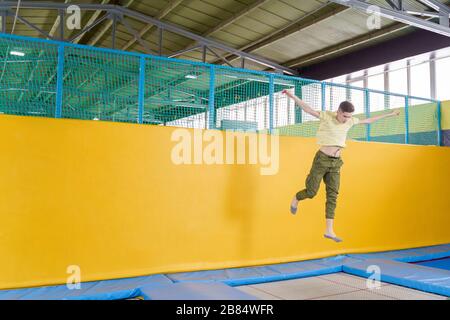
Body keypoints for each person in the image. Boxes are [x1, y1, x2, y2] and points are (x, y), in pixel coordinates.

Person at [282, 89, 400, 242]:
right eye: (344, 116)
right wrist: (292, 96)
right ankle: (297, 198)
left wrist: (390, 114)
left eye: (349, 117)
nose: (346, 119)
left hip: (336, 162)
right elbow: (307, 109)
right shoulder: (327, 116)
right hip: (322, 160)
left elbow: (368, 121)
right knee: (311, 192)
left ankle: (329, 230)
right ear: (338, 111)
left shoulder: (350, 121)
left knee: (333, 195)